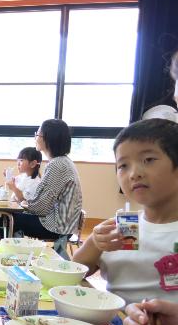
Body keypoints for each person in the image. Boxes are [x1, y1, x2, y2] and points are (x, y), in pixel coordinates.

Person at [73, 118, 178, 304]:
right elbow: (73, 271)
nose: (134, 173)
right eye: (123, 165)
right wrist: (95, 244)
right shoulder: (123, 226)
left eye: (148, 160)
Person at [0, 119, 82, 242]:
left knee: (1, 218)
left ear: (48, 138)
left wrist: (23, 203)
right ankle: (13, 251)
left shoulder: (57, 165)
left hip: (56, 226)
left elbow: (41, 207)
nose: (35, 138)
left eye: (37, 134)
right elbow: (42, 202)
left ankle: (10, 253)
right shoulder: (63, 162)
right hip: (63, 224)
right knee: (5, 216)